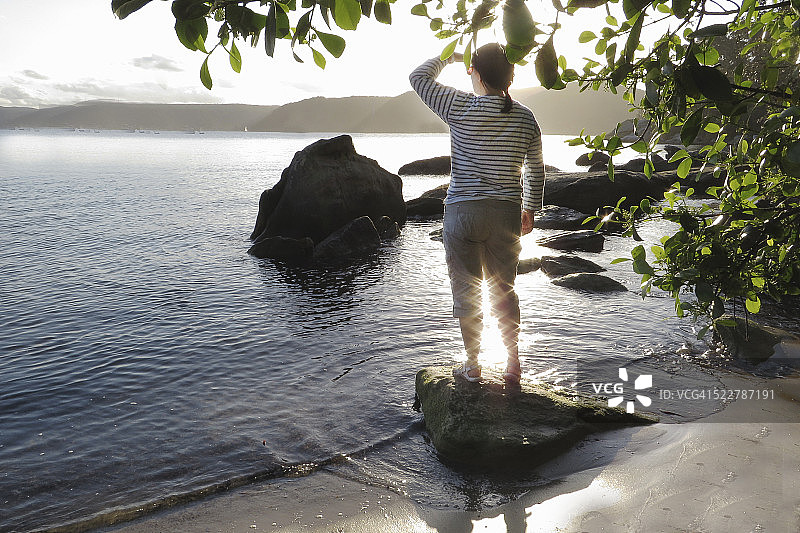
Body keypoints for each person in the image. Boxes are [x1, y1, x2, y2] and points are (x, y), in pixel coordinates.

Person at [409, 43, 546, 384]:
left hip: (462, 214)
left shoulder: (458, 105)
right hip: (505, 216)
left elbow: (418, 77)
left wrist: (450, 56)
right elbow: (536, 169)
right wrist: (531, 207)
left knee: (467, 292)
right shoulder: (526, 117)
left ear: (477, 73)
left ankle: (473, 364)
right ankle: (513, 363)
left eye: (472, 70)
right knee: (505, 290)